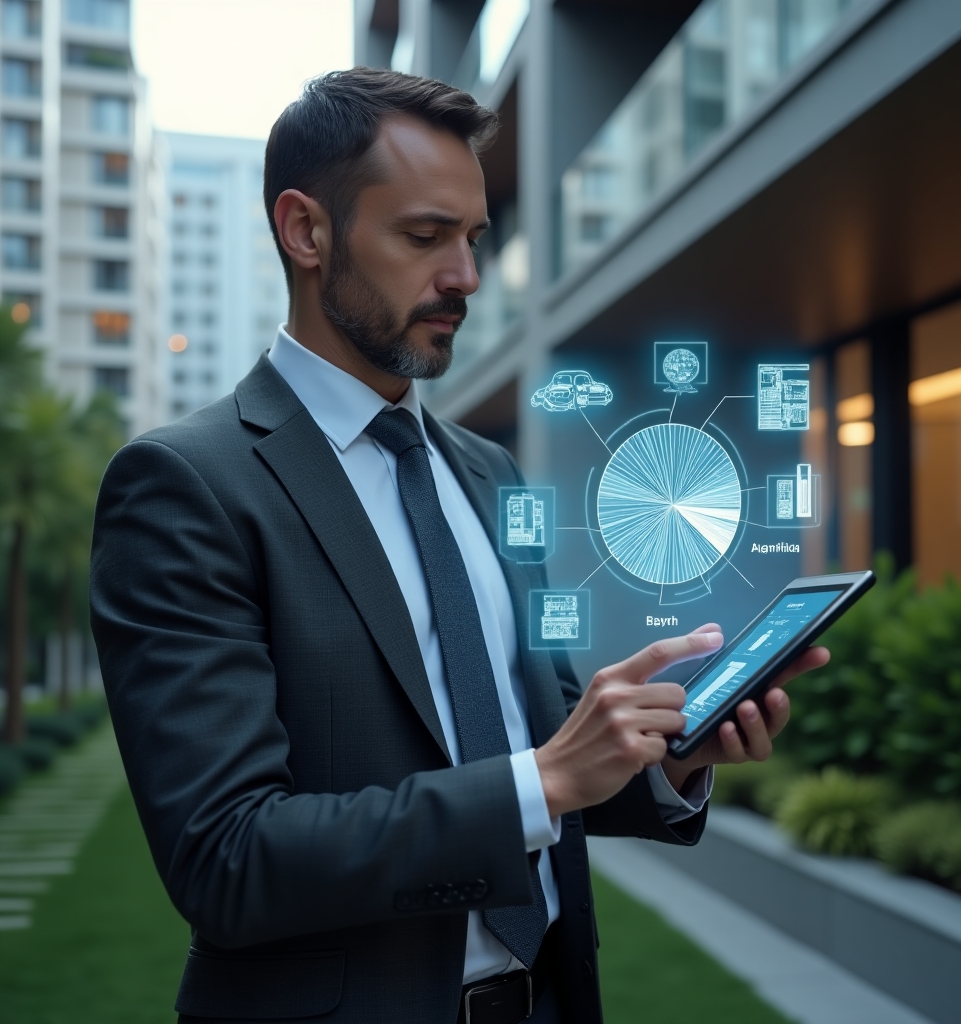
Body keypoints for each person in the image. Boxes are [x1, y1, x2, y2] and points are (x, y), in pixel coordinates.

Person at [90, 68, 828, 1024]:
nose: (466, 279)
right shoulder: (187, 486)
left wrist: (668, 757)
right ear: (305, 231)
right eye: (424, 237)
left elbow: (540, 747)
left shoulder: (487, 473)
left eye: (474, 239)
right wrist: (547, 776)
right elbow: (227, 857)